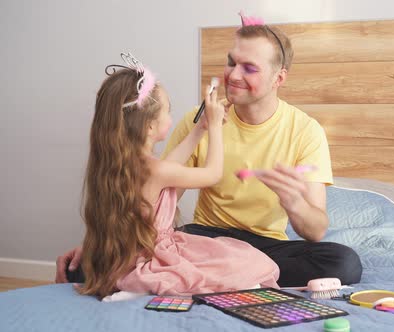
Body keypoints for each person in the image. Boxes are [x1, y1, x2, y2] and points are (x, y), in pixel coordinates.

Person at [56, 18, 362, 287]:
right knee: (90, 265)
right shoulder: (201, 120)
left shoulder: (306, 131)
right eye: (231, 62)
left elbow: (317, 229)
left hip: (266, 245)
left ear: (278, 78)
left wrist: (294, 202)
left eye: (250, 68)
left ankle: (224, 276)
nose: (233, 75)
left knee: (344, 262)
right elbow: (142, 196)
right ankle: (232, 278)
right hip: (205, 237)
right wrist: (104, 243)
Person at [73, 54, 279, 299]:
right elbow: (212, 174)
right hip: (156, 255)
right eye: (168, 112)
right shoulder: (156, 170)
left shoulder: (125, 165)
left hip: (127, 255)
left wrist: (199, 128)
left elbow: (168, 168)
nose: (171, 117)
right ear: (149, 127)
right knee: (251, 261)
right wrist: (214, 127)